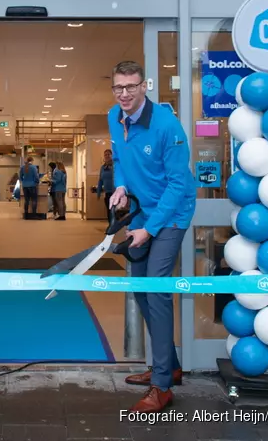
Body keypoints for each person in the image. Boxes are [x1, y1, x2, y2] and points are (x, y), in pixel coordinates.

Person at [106, 60, 196, 413]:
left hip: (172, 214)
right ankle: (168, 365)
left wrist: (150, 229)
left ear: (145, 86)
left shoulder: (167, 126)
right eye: (118, 88)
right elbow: (119, 159)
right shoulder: (115, 116)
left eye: (130, 87)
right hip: (143, 210)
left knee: (156, 290)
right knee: (139, 289)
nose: (124, 94)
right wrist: (121, 187)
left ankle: (162, 386)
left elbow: (178, 184)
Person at [96, 149, 115, 226]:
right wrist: (98, 192)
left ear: (111, 155)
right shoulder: (103, 167)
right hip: (107, 192)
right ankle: (111, 225)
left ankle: (115, 226)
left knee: (114, 210)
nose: (107, 156)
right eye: (105, 155)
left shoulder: (115, 166)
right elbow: (100, 180)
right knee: (109, 210)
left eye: (108, 154)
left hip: (115, 192)